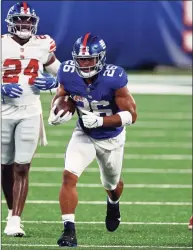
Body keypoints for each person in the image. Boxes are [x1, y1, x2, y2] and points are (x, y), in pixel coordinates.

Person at [48, 32, 137, 247]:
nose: (85, 64)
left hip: (111, 137)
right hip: (84, 134)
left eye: (89, 59)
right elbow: (62, 95)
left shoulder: (114, 76)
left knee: (112, 184)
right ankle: (69, 230)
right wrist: (56, 110)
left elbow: (131, 116)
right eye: (81, 60)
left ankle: (113, 202)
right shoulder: (67, 72)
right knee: (69, 176)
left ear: (101, 58)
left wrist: (100, 122)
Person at [1, 1, 60, 237]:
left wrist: (53, 82)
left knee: (22, 166)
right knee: (4, 166)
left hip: (30, 111)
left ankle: (15, 220)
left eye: (28, 20)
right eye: (20, 20)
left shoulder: (43, 44)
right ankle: (10, 209)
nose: (24, 24)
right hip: (3, 111)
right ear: (10, 22)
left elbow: (61, 71)